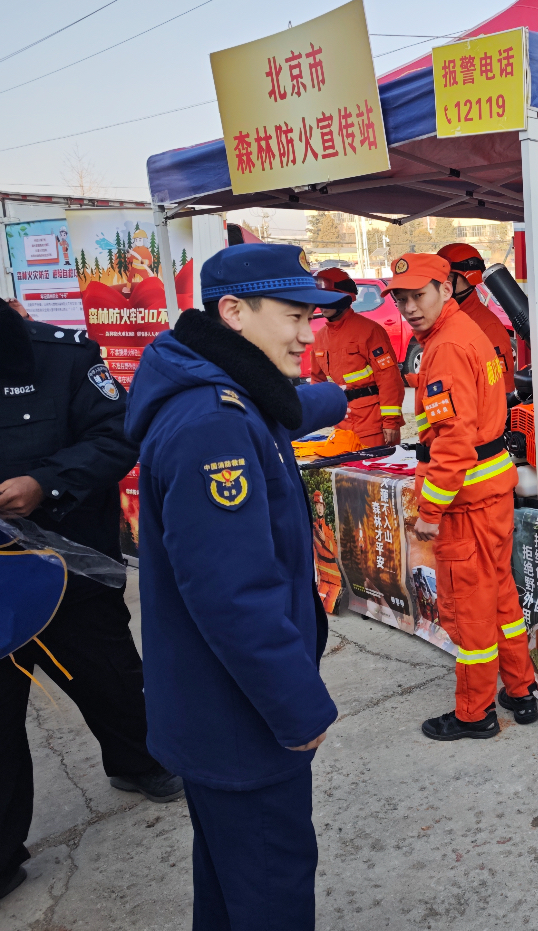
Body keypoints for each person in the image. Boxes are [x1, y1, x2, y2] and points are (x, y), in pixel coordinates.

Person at [125, 244, 348, 930]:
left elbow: (284, 407)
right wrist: (300, 709)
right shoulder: (212, 426)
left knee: (229, 886)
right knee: (269, 892)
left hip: (216, 712)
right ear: (233, 311)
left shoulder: (221, 385)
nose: (308, 334)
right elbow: (234, 596)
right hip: (242, 718)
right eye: (293, 316)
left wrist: (342, 397)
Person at [0, 298, 183, 902]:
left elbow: (118, 434)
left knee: (109, 677)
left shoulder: (63, 356)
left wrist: (45, 482)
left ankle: (138, 761)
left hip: (68, 570)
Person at [384, 252, 538, 739]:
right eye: (401, 298)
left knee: (469, 611)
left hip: (466, 500)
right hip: (492, 490)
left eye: (418, 295)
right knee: (501, 601)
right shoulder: (470, 330)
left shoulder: (446, 347)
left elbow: (452, 439)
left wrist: (430, 509)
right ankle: (519, 691)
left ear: (446, 290)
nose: (409, 307)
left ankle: (475, 714)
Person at [307, 267, 405, 447]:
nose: (322, 304)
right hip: (342, 424)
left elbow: (389, 379)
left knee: (377, 474)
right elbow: (317, 382)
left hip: (373, 425)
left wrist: (390, 421)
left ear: (345, 298)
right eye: (320, 298)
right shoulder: (320, 337)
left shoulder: (369, 331)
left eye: (328, 298)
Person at [437, 242, 516, 392]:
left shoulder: (488, 327)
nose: (441, 284)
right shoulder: (442, 320)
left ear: (468, 278)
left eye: (447, 277)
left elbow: (501, 388)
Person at [310, 490, 342, 613]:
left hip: (334, 575)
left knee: (329, 607)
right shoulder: (313, 528)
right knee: (318, 608)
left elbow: (336, 552)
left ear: (324, 507)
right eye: (317, 505)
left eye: (321, 506)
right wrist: (317, 573)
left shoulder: (329, 528)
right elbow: (314, 553)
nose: (319, 508)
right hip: (322, 575)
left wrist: (325, 540)